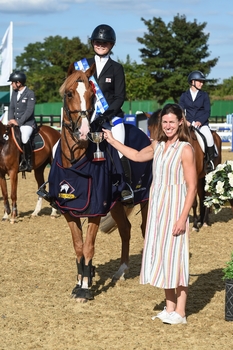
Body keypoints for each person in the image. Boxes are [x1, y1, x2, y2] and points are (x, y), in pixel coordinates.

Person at [103, 103, 197, 325]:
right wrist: (113, 141)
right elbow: (135, 155)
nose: (168, 126)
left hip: (176, 208)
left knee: (177, 259)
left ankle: (181, 313)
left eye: (172, 122)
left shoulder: (185, 149)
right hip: (157, 209)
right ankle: (169, 307)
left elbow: (192, 187)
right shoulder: (157, 145)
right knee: (164, 257)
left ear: (180, 122)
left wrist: (183, 218)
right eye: (164, 122)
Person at [75, 24, 133, 206]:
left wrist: (105, 116)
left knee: (120, 147)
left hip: (111, 117)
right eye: (98, 42)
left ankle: (125, 186)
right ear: (93, 43)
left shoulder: (116, 68)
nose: (101, 45)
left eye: (105, 43)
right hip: (86, 116)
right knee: (63, 144)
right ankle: (58, 182)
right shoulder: (82, 66)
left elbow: (119, 97)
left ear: (111, 45)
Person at [179, 70, 215, 172]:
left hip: (201, 124)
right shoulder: (184, 96)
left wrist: (200, 121)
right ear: (192, 82)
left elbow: (207, 112)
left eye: (202, 81)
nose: (202, 83)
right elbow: (180, 110)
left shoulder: (204, 95)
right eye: (200, 81)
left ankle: (210, 162)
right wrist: (185, 121)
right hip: (187, 123)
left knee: (208, 137)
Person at [7, 71, 37, 172]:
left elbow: (29, 111)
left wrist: (18, 122)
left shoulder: (30, 93)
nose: (12, 84)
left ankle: (28, 163)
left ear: (18, 83)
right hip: (15, 122)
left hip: (27, 123)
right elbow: (11, 108)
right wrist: (10, 120)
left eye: (12, 82)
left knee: (24, 138)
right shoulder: (14, 94)